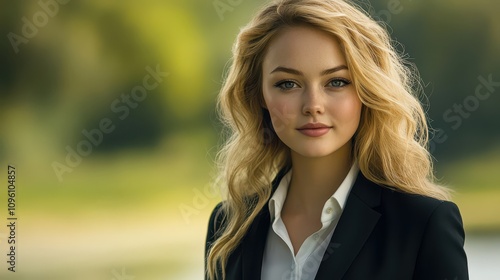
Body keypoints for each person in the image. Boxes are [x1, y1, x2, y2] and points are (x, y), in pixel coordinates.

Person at [204, 0, 469, 279]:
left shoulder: (422, 224)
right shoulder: (229, 227)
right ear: (260, 95)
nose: (313, 105)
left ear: (366, 90)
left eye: (337, 82)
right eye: (287, 84)